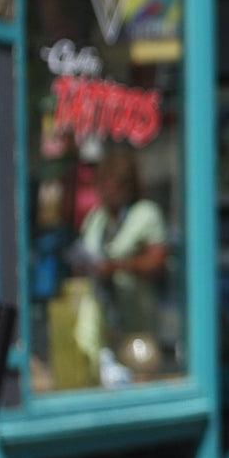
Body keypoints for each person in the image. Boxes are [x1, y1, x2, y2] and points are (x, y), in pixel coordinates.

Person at [75, 146, 169, 347]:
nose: (105, 193)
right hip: (100, 321)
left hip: (137, 320)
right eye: (101, 186)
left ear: (127, 187)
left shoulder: (145, 214)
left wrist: (117, 267)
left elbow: (157, 261)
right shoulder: (97, 217)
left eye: (111, 187)